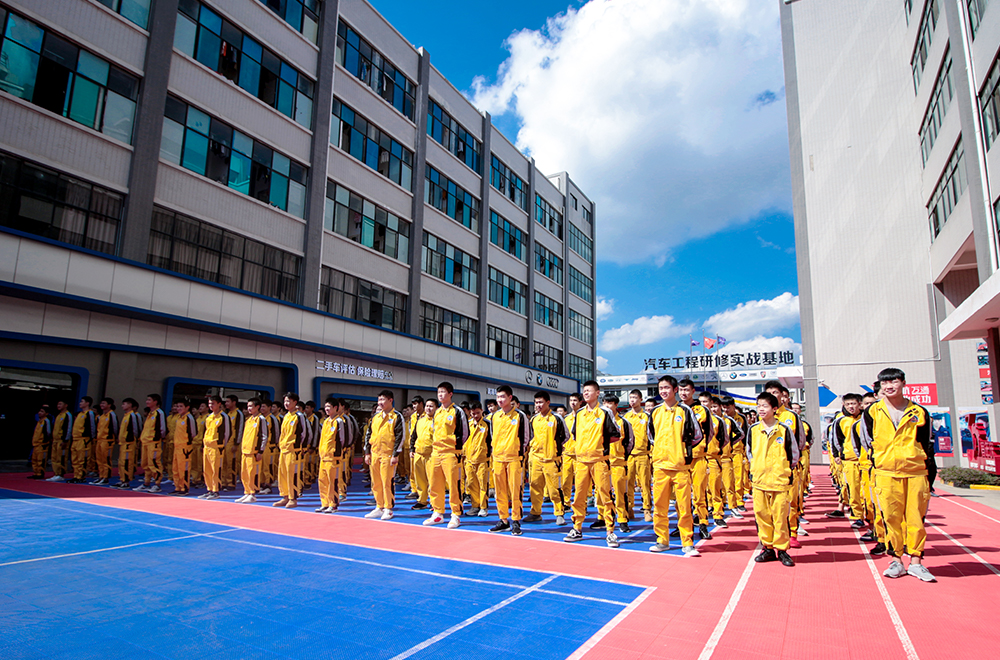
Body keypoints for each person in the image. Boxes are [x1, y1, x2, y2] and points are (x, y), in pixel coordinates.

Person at [859, 368, 936, 582]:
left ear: (903, 383)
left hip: (915, 472)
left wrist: (928, 470)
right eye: (884, 383)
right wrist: (880, 460)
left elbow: (927, 443)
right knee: (890, 518)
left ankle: (916, 562)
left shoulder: (919, 412)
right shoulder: (872, 412)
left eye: (893, 381)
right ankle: (896, 560)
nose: (889, 386)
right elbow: (867, 441)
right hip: (885, 472)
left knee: (915, 518)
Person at [564, 380, 622, 549]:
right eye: (584, 391)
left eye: (589, 391)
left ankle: (610, 531)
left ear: (598, 393)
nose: (586, 393)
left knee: (605, 496)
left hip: (599, 462)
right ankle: (577, 527)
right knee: (579, 496)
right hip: (581, 461)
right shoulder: (580, 413)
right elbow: (575, 434)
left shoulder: (605, 412)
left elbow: (615, 434)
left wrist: (599, 449)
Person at [647, 375, 700, 556]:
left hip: (680, 467)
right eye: (661, 388)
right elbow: (651, 435)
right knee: (660, 506)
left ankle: (687, 542)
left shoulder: (685, 411)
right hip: (660, 465)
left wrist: (684, 452)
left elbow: (698, 435)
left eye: (667, 388)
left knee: (684, 507)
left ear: (675, 390)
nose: (663, 391)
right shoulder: (655, 412)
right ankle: (662, 540)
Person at [748, 392, 798, 567]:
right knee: (762, 515)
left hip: (779, 481)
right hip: (759, 481)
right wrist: (754, 469)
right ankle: (767, 547)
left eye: (765, 406)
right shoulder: (753, 429)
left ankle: (782, 549)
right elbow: (750, 452)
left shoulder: (784, 429)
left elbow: (793, 454)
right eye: (759, 405)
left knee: (780, 516)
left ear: (775, 409)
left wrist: (786, 471)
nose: (761, 409)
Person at [425, 382, 468, 528]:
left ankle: (455, 514)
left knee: (454, 485)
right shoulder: (437, 412)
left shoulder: (457, 411)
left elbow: (464, 433)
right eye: (438, 392)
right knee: (435, 483)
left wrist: (456, 448)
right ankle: (437, 513)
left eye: (443, 392)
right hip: (436, 452)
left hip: (451, 453)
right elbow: (435, 431)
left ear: (450, 394)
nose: (440, 395)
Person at [488, 385, 529, 535]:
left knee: (515, 491)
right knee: (500, 491)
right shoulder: (494, 416)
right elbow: (493, 436)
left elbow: (526, 437)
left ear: (510, 398)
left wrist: (519, 452)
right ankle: (503, 519)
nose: (500, 400)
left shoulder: (519, 416)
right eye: (498, 397)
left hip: (514, 458)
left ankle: (516, 520)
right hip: (498, 458)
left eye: (503, 397)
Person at [525, 391, 567, 525]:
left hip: (552, 460)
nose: (538, 405)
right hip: (536, 458)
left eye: (541, 402)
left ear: (548, 403)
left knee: (555, 488)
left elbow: (565, 436)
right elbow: (531, 436)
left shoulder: (556, 418)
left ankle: (559, 513)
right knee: (535, 486)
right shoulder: (534, 419)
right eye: (536, 402)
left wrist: (555, 449)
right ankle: (535, 512)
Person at [678, 379, 713, 539]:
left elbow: (709, 432)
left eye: (686, 390)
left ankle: (703, 523)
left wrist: (702, 449)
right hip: (680, 459)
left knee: (699, 494)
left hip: (698, 458)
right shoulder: (675, 409)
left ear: (693, 391)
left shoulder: (702, 410)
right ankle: (684, 525)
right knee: (682, 496)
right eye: (680, 390)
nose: (683, 393)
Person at [363, 389, 405, 520]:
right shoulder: (375, 417)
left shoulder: (396, 416)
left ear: (390, 400)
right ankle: (379, 506)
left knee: (387, 481)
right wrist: (367, 452)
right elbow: (369, 435)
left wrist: (395, 454)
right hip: (375, 454)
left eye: (383, 400)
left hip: (388, 455)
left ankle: (388, 508)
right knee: (376, 482)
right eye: (379, 400)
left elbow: (400, 436)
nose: (380, 402)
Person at [604, 394, 635, 533]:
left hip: (618, 463)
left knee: (620, 493)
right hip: (603, 462)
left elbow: (630, 443)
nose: (607, 406)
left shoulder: (624, 423)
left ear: (616, 405)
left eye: (610, 403)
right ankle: (603, 518)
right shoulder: (599, 421)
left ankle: (622, 519)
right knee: (602, 493)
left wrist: (622, 457)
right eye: (605, 403)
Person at [274, 393, 311, 508]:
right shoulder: (286, 416)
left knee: (293, 474)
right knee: (283, 474)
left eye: (289, 401)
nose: (286, 403)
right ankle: (285, 496)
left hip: (294, 450)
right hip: (284, 450)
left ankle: (293, 498)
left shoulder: (299, 416)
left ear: (295, 402)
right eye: (285, 401)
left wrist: (302, 448)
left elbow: (306, 433)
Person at [833, 394, 865, 525]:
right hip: (849, 460)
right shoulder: (841, 421)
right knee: (853, 489)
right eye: (848, 404)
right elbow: (836, 439)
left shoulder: (865, 418)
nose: (851, 407)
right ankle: (858, 516)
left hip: (865, 460)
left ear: (859, 404)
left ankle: (871, 515)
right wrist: (837, 455)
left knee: (866, 490)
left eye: (853, 404)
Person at [624, 389, 653, 522]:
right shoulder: (626, 417)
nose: (632, 400)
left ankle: (647, 509)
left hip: (643, 455)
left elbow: (652, 437)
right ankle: (629, 508)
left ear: (641, 400)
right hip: (629, 456)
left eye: (635, 398)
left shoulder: (646, 417)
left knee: (645, 484)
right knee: (629, 483)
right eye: (630, 398)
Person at [316, 397, 348, 513]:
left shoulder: (339, 422)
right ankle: (324, 503)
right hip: (324, 457)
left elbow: (343, 439)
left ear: (335, 408)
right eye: (325, 407)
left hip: (333, 457)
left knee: (332, 481)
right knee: (322, 480)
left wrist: (337, 452)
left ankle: (333, 504)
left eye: (329, 407)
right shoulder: (326, 421)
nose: (327, 409)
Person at [199, 395, 232, 500]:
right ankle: (209, 489)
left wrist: (221, 445)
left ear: (219, 404)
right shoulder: (208, 417)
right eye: (209, 403)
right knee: (207, 469)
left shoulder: (223, 417)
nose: (210, 405)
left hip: (216, 447)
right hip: (207, 446)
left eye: (213, 403)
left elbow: (227, 432)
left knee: (215, 469)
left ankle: (216, 490)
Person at [236, 398, 269, 503]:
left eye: (251, 406)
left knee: (252, 473)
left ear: (257, 407)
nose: (249, 408)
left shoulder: (261, 419)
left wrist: (260, 451)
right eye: (248, 406)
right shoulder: (248, 420)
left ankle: (253, 493)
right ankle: (247, 492)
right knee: (244, 473)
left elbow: (264, 436)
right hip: (245, 451)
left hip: (254, 452)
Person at [135, 394, 166, 492]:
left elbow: (162, 428)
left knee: (154, 463)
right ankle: (146, 483)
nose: (147, 401)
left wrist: (158, 438)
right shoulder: (150, 414)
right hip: (145, 442)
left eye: (149, 400)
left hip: (154, 442)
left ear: (155, 401)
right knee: (145, 463)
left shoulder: (159, 413)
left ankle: (157, 484)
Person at [465, 402, 491, 517]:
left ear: (482, 411)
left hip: (483, 459)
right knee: (471, 483)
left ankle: (483, 507)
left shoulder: (487, 424)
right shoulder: (468, 424)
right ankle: (475, 505)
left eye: (478, 413)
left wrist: (489, 455)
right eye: (473, 413)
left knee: (482, 484)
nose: (475, 415)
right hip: (469, 459)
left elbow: (491, 441)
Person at [408, 396, 434, 509]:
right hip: (418, 453)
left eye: (431, 406)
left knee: (433, 480)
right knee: (420, 480)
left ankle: (434, 502)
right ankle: (422, 500)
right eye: (427, 406)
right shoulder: (420, 421)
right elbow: (414, 435)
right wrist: (412, 449)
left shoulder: (437, 421)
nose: (428, 408)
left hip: (432, 454)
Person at [561, 392, 583, 511]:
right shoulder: (566, 418)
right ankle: (566, 502)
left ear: (580, 402)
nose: (573, 403)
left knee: (580, 483)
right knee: (566, 481)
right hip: (567, 454)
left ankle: (580, 505)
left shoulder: (584, 417)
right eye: (571, 401)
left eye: (575, 400)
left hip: (580, 455)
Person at [169, 400, 197, 495]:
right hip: (177, 447)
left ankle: (184, 487)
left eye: (181, 406)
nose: (179, 408)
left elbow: (193, 432)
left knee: (183, 469)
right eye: (178, 406)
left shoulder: (189, 418)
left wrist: (187, 442)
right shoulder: (179, 418)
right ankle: (178, 487)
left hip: (185, 447)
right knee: (175, 468)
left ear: (187, 407)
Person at [68, 397, 96, 484]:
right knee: (75, 459)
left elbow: (92, 427)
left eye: (82, 401)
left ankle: (81, 476)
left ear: (87, 403)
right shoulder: (80, 414)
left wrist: (90, 439)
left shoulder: (90, 413)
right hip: (76, 439)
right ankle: (76, 475)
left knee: (82, 459)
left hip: (83, 440)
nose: (80, 403)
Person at [92, 398, 119, 485]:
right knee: (99, 459)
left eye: (104, 403)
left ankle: (106, 477)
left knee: (106, 459)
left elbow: (115, 426)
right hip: (100, 440)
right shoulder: (102, 416)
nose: (101, 405)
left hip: (107, 440)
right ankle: (101, 476)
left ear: (109, 405)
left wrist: (115, 437)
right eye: (101, 403)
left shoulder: (111, 414)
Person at [115, 398, 142, 489]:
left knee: (127, 462)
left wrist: (135, 440)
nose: (122, 406)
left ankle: (126, 480)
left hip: (129, 443)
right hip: (123, 443)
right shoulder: (125, 416)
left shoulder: (132, 415)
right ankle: (122, 479)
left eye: (124, 404)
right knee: (121, 462)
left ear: (130, 405)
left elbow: (135, 429)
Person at [46, 400, 72, 482]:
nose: (58, 405)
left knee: (61, 458)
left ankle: (60, 474)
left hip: (62, 440)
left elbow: (68, 428)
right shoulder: (58, 415)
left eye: (60, 404)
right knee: (54, 457)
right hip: (55, 440)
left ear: (66, 405)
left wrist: (65, 440)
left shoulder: (67, 415)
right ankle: (56, 473)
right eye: (58, 404)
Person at [223, 395, 244, 492]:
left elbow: (239, 429)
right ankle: (224, 482)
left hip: (233, 442)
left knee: (232, 463)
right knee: (224, 463)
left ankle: (231, 483)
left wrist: (236, 443)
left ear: (234, 402)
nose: (226, 403)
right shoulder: (227, 414)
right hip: (226, 442)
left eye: (228, 401)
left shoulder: (238, 413)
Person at [29, 405, 52, 480]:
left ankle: (40, 473)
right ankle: (35, 472)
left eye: (42, 411)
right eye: (39, 411)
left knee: (41, 460)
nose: (40, 413)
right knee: (34, 459)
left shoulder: (46, 421)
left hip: (42, 445)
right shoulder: (39, 422)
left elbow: (48, 433)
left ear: (46, 413)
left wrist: (45, 442)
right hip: (36, 444)